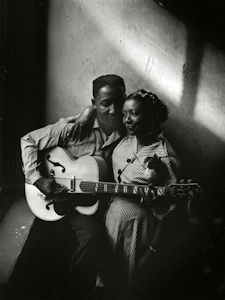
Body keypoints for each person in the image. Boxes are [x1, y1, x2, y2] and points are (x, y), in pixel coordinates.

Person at [14, 74, 126, 300]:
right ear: (94, 103)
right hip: (57, 198)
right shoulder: (74, 127)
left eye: (119, 101)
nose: (113, 110)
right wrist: (37, 179)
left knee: (100, 238)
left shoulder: (128, 131)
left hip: (92, 201)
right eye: (105, 103)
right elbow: (28, 140)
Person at [101, 89, 183, 298]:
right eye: (124, 113)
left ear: (150, 116)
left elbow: (171, 212)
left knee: (131, 288)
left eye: (134, 114)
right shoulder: (125, 141)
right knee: (108, 284)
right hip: (111, 224)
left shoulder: (165, 158)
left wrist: (152, 252)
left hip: (138, 231)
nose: (127, 120)